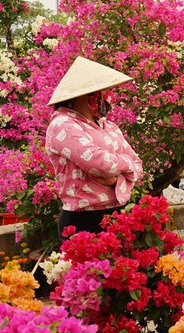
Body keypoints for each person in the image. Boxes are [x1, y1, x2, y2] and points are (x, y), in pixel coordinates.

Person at [45, 56, 144, 239]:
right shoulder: (63, 124)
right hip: (82, 219)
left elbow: (138, 164)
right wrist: (124, 166)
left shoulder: (108, 126)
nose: (107, 97)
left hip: (117, 216)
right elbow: (100, 163)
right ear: (87, 95)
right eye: (101, 92)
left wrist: (115, 179)